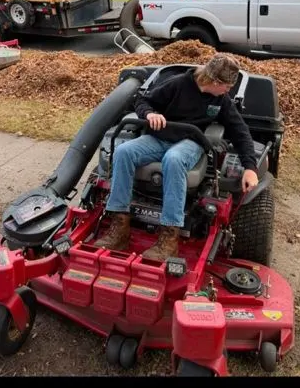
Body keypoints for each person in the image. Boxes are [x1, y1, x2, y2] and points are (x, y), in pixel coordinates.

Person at [95, 54, 259, 261]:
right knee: (123, 151)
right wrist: (149, 114)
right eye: (227, 86)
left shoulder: (221, 101)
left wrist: (250, 167)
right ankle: (119, 228)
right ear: (215, 82)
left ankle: (169, 238)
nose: (228, 91)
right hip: (160, 138)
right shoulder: (178, 84)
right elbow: (142, 101)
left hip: (190, 142)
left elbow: (240, 131)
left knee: (173, 159)